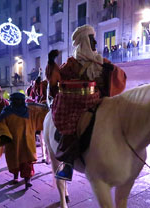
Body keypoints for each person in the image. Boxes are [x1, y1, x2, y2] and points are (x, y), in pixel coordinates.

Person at [45, 24, 126, 181]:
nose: (95, 43)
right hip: (75, 104)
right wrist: (51, 63)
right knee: (71, 124)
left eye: (94, 39)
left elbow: (118, 79)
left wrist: (112, 70)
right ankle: (68, 163)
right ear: (84, 41)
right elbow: (56, 82)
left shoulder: (101, 62)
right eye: (91, 39)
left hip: (99, 100)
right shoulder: (70, 65)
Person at [0, 93, 49, 190]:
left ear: (23, 100)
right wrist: (5, 136)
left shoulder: (30, 111)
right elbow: (1, 125)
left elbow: (40, 117)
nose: (17, 102)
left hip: (27, 141)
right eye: (15, 100)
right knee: (14, 160)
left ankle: (27, 180)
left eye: (19, 100)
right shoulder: (6, 112)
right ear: (12, 101)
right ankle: (15, 176)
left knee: (27, 162)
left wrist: (46, 107)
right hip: (13, 142)